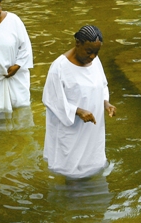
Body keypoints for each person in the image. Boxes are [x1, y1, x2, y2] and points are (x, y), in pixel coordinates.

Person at [42, 25, 116, 178]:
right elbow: (52, 100)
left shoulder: (95, 61)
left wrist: (106, 103)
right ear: (78, 44)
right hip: (71, 131)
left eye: (96, 53)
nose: (92, 57)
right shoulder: (59, 68)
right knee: (71, 172)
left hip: (92, 130)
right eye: (89, 52)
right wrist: (78, 111)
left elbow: (102, 85)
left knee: (93, 168)